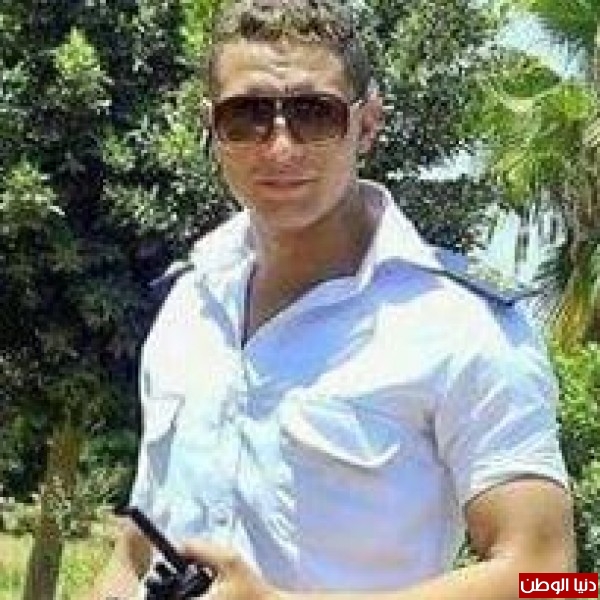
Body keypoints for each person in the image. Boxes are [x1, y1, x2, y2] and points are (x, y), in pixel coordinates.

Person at [90, 1, 575, 598]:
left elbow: (549, 577)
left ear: (366, 125)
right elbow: (136, 551)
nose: (280, 148)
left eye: (313, 114)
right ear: (211, 129)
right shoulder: (189, 305)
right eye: (247, 116)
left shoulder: (464, 326)